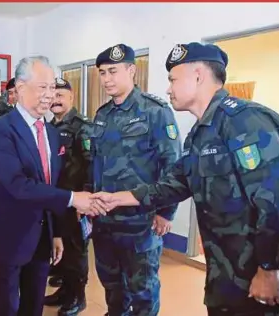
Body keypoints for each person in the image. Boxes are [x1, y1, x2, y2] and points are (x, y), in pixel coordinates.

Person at [91, 42, 279, 316]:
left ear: (199, 76)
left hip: (254, 273)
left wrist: (269, 268)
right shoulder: (200, 134)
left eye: (172, 79)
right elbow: (172, 185)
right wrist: (114, 198)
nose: (168, 89)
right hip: (225, 271)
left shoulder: (246, 121)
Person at [0, 56, 97, 316]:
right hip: (7, 239)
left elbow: (52, 183)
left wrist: (56, 233)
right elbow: (19, 185)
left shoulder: (51, 132)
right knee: (3, 308)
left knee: (32, 307)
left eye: (52, 88)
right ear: (19, 88)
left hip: (41, 241)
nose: (49, 95)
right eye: (42, 87)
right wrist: (74, 199)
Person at [89, 43, 182, 316]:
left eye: (113, 71)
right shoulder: (102, 115)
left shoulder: (155, 111)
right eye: (103, 73)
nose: (107, 79)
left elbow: (173, 165)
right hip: (105, 221)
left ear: (132, 70)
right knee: (112, 286)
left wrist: (166, 212)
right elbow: (95, 165)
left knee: (143, 290)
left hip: (140, 222)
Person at [43, 78, 94, 315]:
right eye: (53, 94)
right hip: (57, 200)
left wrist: (87, 198)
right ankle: (64, 290)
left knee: (75, 251)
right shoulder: (49, 127)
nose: (56, 100)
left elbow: (92, 164)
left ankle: (78, 297)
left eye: (61, 95)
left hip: (77, 201)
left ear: (71, 98)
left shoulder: (82, 126)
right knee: (59, 249)